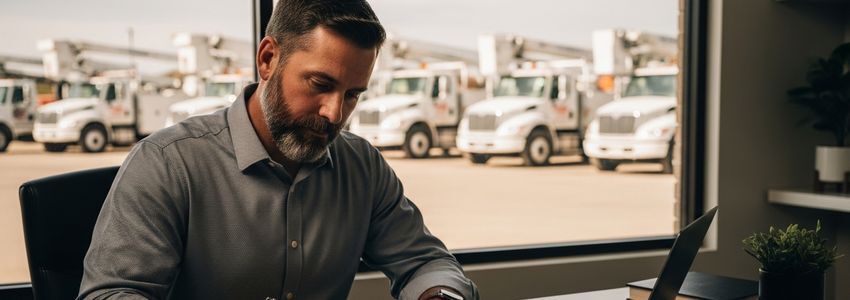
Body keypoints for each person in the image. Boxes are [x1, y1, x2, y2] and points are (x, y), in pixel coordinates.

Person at [77, 0, 478, 299]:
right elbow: (111, 294)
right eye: (320, 85)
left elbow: (426, 262)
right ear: (268, 59)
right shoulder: (168, 164)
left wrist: (439, 294)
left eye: (353, 94)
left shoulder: (362, 167)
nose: (335, 113)